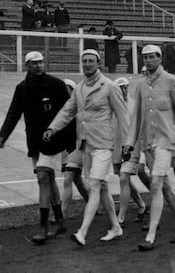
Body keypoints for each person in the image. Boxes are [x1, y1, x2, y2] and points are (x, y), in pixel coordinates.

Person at [44, 49, 125, 247]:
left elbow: (123, 117)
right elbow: (67, 111)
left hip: (104, 144)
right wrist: (52, 128)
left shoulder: (110, 86)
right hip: (85, 144)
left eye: (91, 61)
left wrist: (127, 144)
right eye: (84, 61)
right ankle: (115, 227)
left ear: (98, 63)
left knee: (95, 185)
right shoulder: (79, 88)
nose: (87, 64)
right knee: (103, 186)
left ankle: (82, 232)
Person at [0, 51, 72, 244]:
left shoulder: (55, 84)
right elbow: (13, 113)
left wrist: (70, 141)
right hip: (35, 141)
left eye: (41, 63)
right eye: (34, 63)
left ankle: (43, 226)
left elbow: (69, 112)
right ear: (27, 65)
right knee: (48, 180)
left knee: (42, 177)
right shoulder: (22, 88)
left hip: (54, 140)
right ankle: (60, 220)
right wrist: (3, 135)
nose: (38, 66)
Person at [123, 45, 175, 250]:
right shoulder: (140, 85)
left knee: (155, 183)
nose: (148, 61)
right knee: (164, 186)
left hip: (167, 141)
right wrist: (129, 144)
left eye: (152, 57)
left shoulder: (171, 81)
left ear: (160, 58)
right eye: (145, 57)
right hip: (148, 142)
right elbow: (136, 117)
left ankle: (151, 236)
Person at [111, 77, 146, 226]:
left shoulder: (133, 106)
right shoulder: (111, 106)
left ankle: (121, 217)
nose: (123, 90)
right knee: (122, 177)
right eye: (120, 88)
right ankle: (141, 205)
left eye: (125, 87)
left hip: (132, 147)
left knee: (124, 178)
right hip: (117, 147)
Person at [60, 78, 90, 219]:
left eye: (67, 89)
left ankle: (62, 214)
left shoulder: (80, 107)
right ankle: (92, 202)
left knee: (68, 178)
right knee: (76, 179)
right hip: (66, 149)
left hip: (78, 147)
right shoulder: (62, 110)